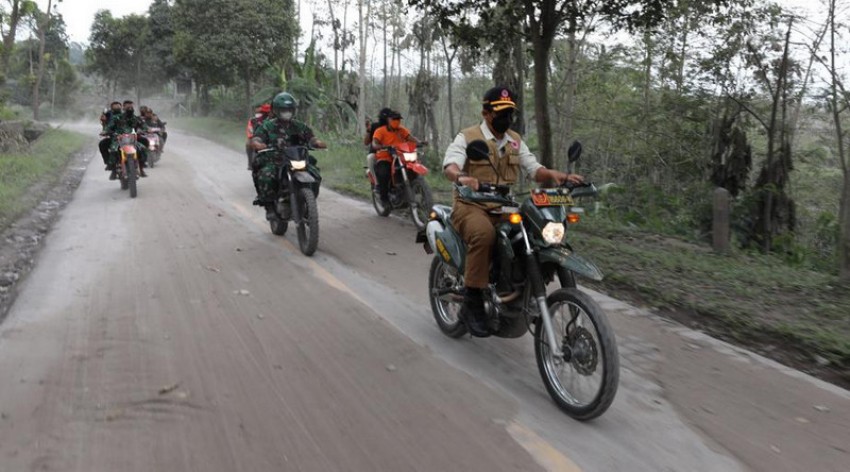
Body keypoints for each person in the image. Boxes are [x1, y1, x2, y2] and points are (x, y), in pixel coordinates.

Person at [441, 86, 583, 337]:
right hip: (471, 206)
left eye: (510, 112)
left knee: (535, 235)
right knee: (484, 235)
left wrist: (556, 175)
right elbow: (451, 165)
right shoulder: (468, 136)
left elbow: (534, 169)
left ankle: (521, 288)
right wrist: (462, 177)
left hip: (505, 207)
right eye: (500, 112)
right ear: (486, 113)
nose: (506, 117)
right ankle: (472, 303)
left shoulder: (515, 140)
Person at [250, 92, 327, 220]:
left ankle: (309, 205)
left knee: (315, 175)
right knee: (266, 176)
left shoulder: (300, 126)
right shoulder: (267, 126)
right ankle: (269, 207)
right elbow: (256, 139)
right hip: (275, 161)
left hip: (297, 159)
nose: (287, 112)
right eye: (284, 110)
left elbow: (311, 138)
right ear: (276, 110)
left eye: (289, 109)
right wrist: (258, 144)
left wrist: (317, 143)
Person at [370, 110, 420, 206]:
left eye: (398, 119)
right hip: (385, 158)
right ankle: (384, 198)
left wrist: (419, 142)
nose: (397, 121)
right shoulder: (380, 131)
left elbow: (410, 138)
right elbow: (375, 143)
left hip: (401, 157)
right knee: (384, 173)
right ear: (388, 120)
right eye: (394, 119)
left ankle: (415, 191)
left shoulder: (402, 130)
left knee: (413, 169)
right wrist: (381, 146)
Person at [104, 100, 149, 179]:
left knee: (142, 148)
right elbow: (109, 126)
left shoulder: (136, 118)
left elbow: (143, 125)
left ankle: (141, 168)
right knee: (113, 150)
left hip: (132, 139)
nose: (129, 107)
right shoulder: (117, 117)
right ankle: (114, 170)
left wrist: (146, 130)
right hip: (118, 139)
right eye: (127, 106)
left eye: (131, 106)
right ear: (123, 107)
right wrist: (106, 131)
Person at [364, 107, 392, 180]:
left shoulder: (395, 128)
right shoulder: (375, 126)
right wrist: (368, 131)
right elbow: (366, 142)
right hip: (377, 153)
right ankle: (376, 183)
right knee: (370, 158)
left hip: (392, 153)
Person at [245, 103, 271, 170]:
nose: (266, 114)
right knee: (248, 144)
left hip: (270, 139)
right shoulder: (254, 120)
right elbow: (250, 129)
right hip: (257, 138)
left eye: (268, 112)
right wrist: (251, 137)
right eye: (264, 112)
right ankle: (250, 163)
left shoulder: (275, 120)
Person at [99, 101, 122, 169]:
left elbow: (137, 124)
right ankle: (109, 163)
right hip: (114, 137)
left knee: (139, 147)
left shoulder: (126, 115)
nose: (117, 107)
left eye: (118, 106)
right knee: (102, 144)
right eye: (115, 106)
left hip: (127, 138)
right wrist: (105, 130)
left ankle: (140, 164)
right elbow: (107, 125)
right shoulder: (108, 115)